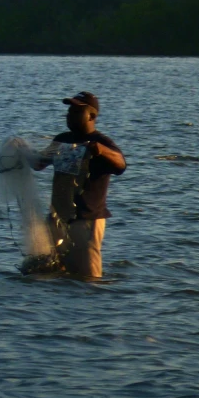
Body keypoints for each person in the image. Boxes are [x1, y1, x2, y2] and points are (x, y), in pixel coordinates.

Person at [32, 91, 126, 278]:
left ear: (91, 116)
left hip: (86, 220)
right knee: (52, 273)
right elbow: (39, 163)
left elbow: (121, 164)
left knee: (88, 278)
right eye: (69, 111)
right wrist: (17, 153)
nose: (69, 115)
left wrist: (101, 151)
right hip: (57, 218)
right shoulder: (63, 139)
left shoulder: (101, 142)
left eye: (76, 111)